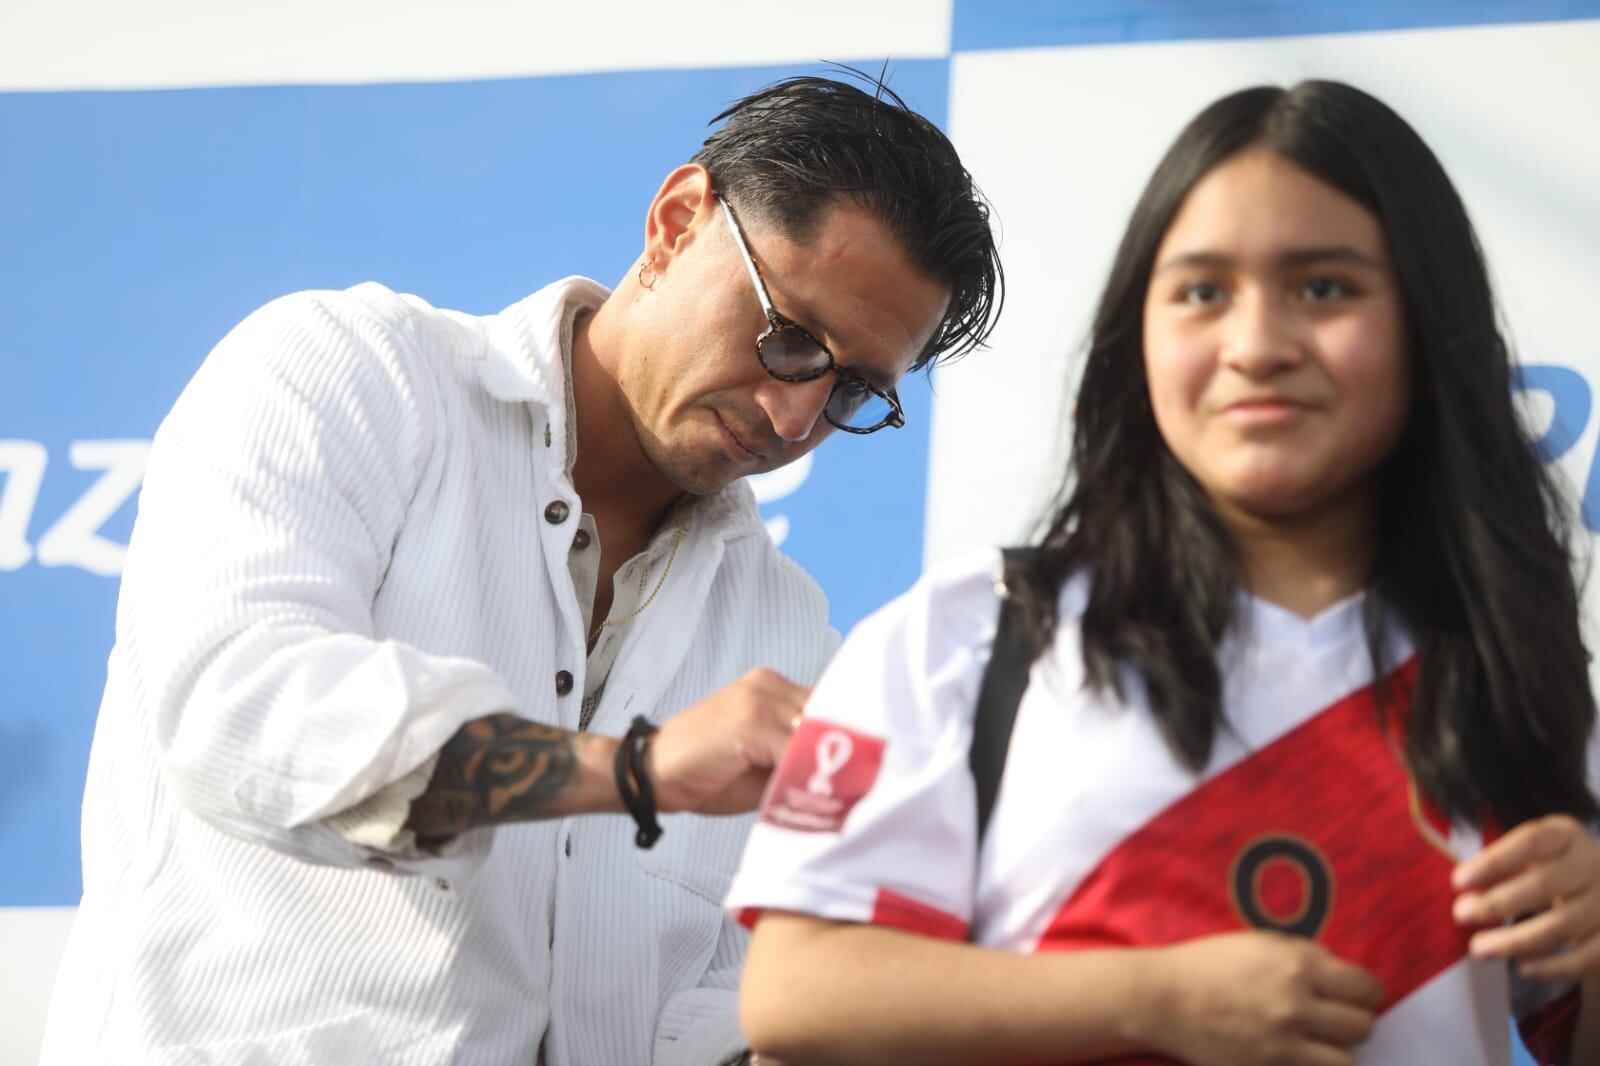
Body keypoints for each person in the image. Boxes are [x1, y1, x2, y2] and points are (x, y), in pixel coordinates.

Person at [37, 74, 1002, 1066]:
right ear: (676, 222)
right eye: (789, 337)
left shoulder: (785, 629)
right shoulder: (344, 374)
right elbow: (239, 709)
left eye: (850, 391)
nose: (794, 416)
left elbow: (708, 999)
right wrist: (634, 770)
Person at [727, 80, 1600, 1065]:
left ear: (1426, 328)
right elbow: (799, 991)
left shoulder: (1520, 677)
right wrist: (1153, 996)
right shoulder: (972, 632)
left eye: (1325, 287)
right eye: (1200, 291)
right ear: (1136, 335)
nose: (1257, 345)